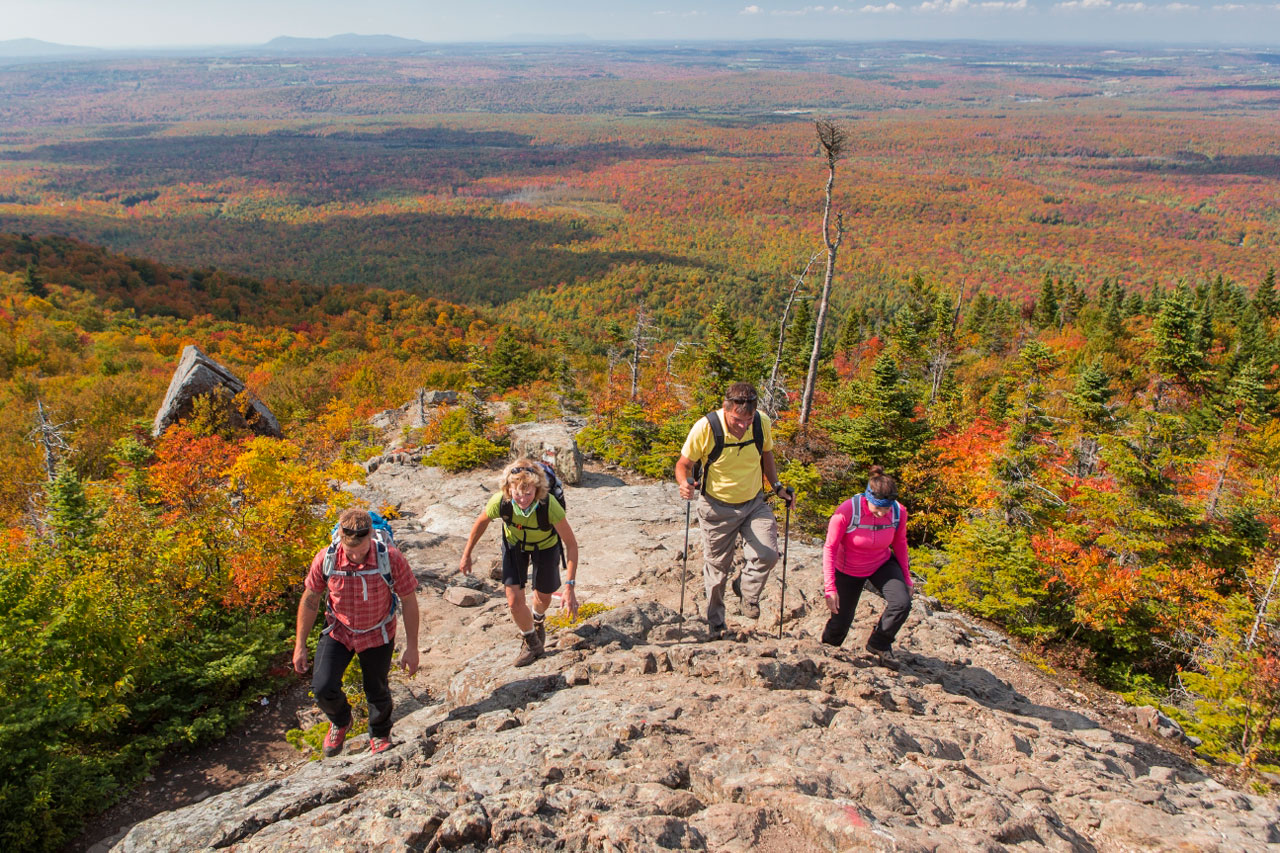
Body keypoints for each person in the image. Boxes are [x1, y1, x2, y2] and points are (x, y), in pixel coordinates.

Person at [293, 507, 420, 757]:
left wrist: (413, 647)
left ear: (370, 536)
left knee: (377, 689)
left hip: (377, 631)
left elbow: (409, 599)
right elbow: (310, 599)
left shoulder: (390, 558)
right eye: (350, 551)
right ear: (341, 538)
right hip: (339, 630)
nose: (356, 557)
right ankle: (341, 720)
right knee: (322, 687)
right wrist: (300, 645)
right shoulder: (326, 558)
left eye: (361, 551)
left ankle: (380, 734)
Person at [675, 382, 794, 639]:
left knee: (768, 554)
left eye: (748, 419)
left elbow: (767, 455)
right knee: (717, 569)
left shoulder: (761, 423)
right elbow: (683, 465)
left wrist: (777, 486)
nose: (743, 425)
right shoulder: (706, 427)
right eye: (737, 420)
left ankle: (745, 589)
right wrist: (684, 484)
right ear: (725, 409)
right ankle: (716, 623)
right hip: (716, 508)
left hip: (753, 502)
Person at [459, 458, 580, 667]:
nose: (522, 499)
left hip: (546, 545)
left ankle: (538, 620)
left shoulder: (549, 506)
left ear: (538, 490)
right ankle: (531, 641)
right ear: (508, 489)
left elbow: (571, 544)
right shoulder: (500, 501)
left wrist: (570, 586)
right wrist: (467, 553)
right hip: (515, 544)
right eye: (517, 493)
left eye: (528, 494)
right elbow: (481, 523)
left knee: (542, 596)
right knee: (514, 601)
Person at [821, 465, 913, 664]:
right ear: (867, 499)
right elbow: (830, 548)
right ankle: (826, 653)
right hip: (848, 569)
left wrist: (907, 579)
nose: (882, 513)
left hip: (881, 563)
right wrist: (831, 588)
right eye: (878, 508)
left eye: (886, 508)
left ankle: (880, 642)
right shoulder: (847, 511)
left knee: (902, 603)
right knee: (840, 623)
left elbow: (900, 544)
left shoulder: (898, 512)